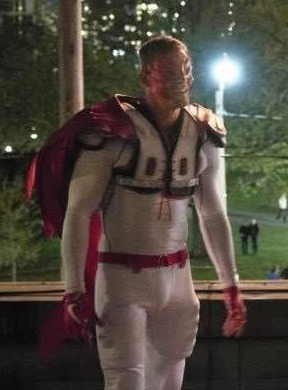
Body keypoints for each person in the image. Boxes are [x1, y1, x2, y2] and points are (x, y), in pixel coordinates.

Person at [29, 36, 247, 389]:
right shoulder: (111, 131)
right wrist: (73, 289)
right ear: (146, 76)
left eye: (187, 69)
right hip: (121, 279)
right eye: (171, 71)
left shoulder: (203, 130)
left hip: (177, 278)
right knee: (125, 379)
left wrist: (231, 284)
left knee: (170, 378)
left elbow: (213, 214)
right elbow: (78, 213)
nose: (184, 78)